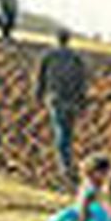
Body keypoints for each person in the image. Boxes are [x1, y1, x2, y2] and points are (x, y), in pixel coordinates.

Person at [35, 28, 89, 188]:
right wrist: (82, 101)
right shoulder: (77, 58)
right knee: (67, 133)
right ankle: (67, 164)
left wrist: (38, 95)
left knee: (61, 133)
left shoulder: (48, 56)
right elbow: (82, 81)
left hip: (56, 99)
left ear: (57, 39)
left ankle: (65, 168)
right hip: (71, 101)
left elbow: (40, 78)